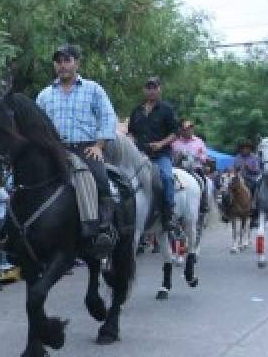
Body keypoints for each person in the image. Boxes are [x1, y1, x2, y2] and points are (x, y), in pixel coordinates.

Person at [35, 44, 118, 257]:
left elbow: (108, 117)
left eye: (67, 60)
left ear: (77, 63)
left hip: (85, 148)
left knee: (100, 177)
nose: (62, 65)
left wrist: (99, 146)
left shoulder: (93, 89)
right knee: (27, 180)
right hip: (54, 150)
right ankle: (21, 231)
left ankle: (103, 228)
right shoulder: (44, 95)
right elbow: (36, 125)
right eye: (58, 61)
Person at [127, 76, 179, 232]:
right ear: (144, 90)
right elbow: (131, 132)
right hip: (139, 155)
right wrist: (130, 141)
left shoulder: (166, 109)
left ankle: (168, 214)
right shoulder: (137, 110)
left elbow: (175, 133)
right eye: (148, 87)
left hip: (160, 155)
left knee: (167, 178)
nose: (151, 90)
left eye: (154, 87)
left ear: (159, 89)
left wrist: (161, 144)